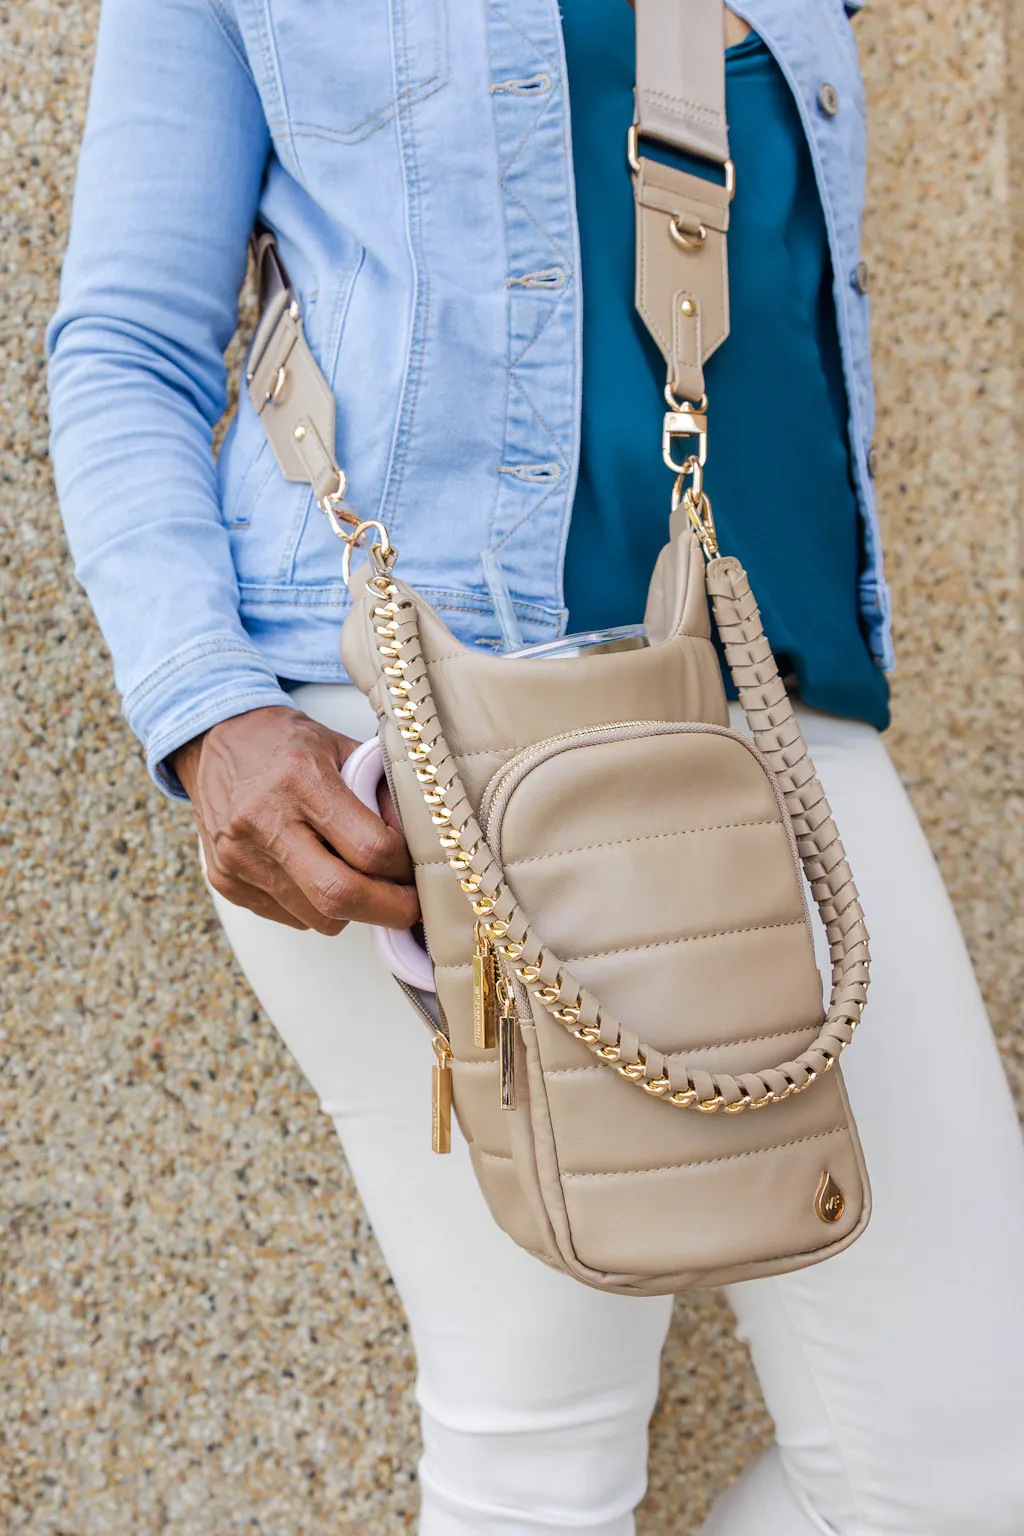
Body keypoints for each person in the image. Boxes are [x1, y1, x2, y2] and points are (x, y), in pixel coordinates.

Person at [47, 1, 1024, 1531]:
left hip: (766, 700)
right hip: (425, 734)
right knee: (539, 1446)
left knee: (965, 1463)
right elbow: (127, 342)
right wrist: (206, 708)